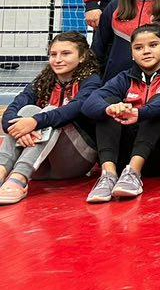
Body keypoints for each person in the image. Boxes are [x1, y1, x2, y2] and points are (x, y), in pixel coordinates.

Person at [82, 24, 160, 203]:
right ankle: (108, 175)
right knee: (109, 105)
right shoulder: (124, 77)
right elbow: (89, 103)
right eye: (139, 48)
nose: (146, 51)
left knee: (158, 103)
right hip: (124, 157)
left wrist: (141, 113)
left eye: (153, 45)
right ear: (132, 53)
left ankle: (134, 172)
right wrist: (110, 109)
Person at [0, 33, 101, 205]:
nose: (58, 59)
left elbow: (71, 111)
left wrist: (34, 122)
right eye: (53, 54)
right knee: (27, 110)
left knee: (50, 112)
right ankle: (2, 170)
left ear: (82, 56)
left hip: (74, 162)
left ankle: (18, 178)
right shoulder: (43, 81)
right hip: (40, 165)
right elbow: (13, 109)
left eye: (66, 54)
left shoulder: (92, 82)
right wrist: (21, 129)